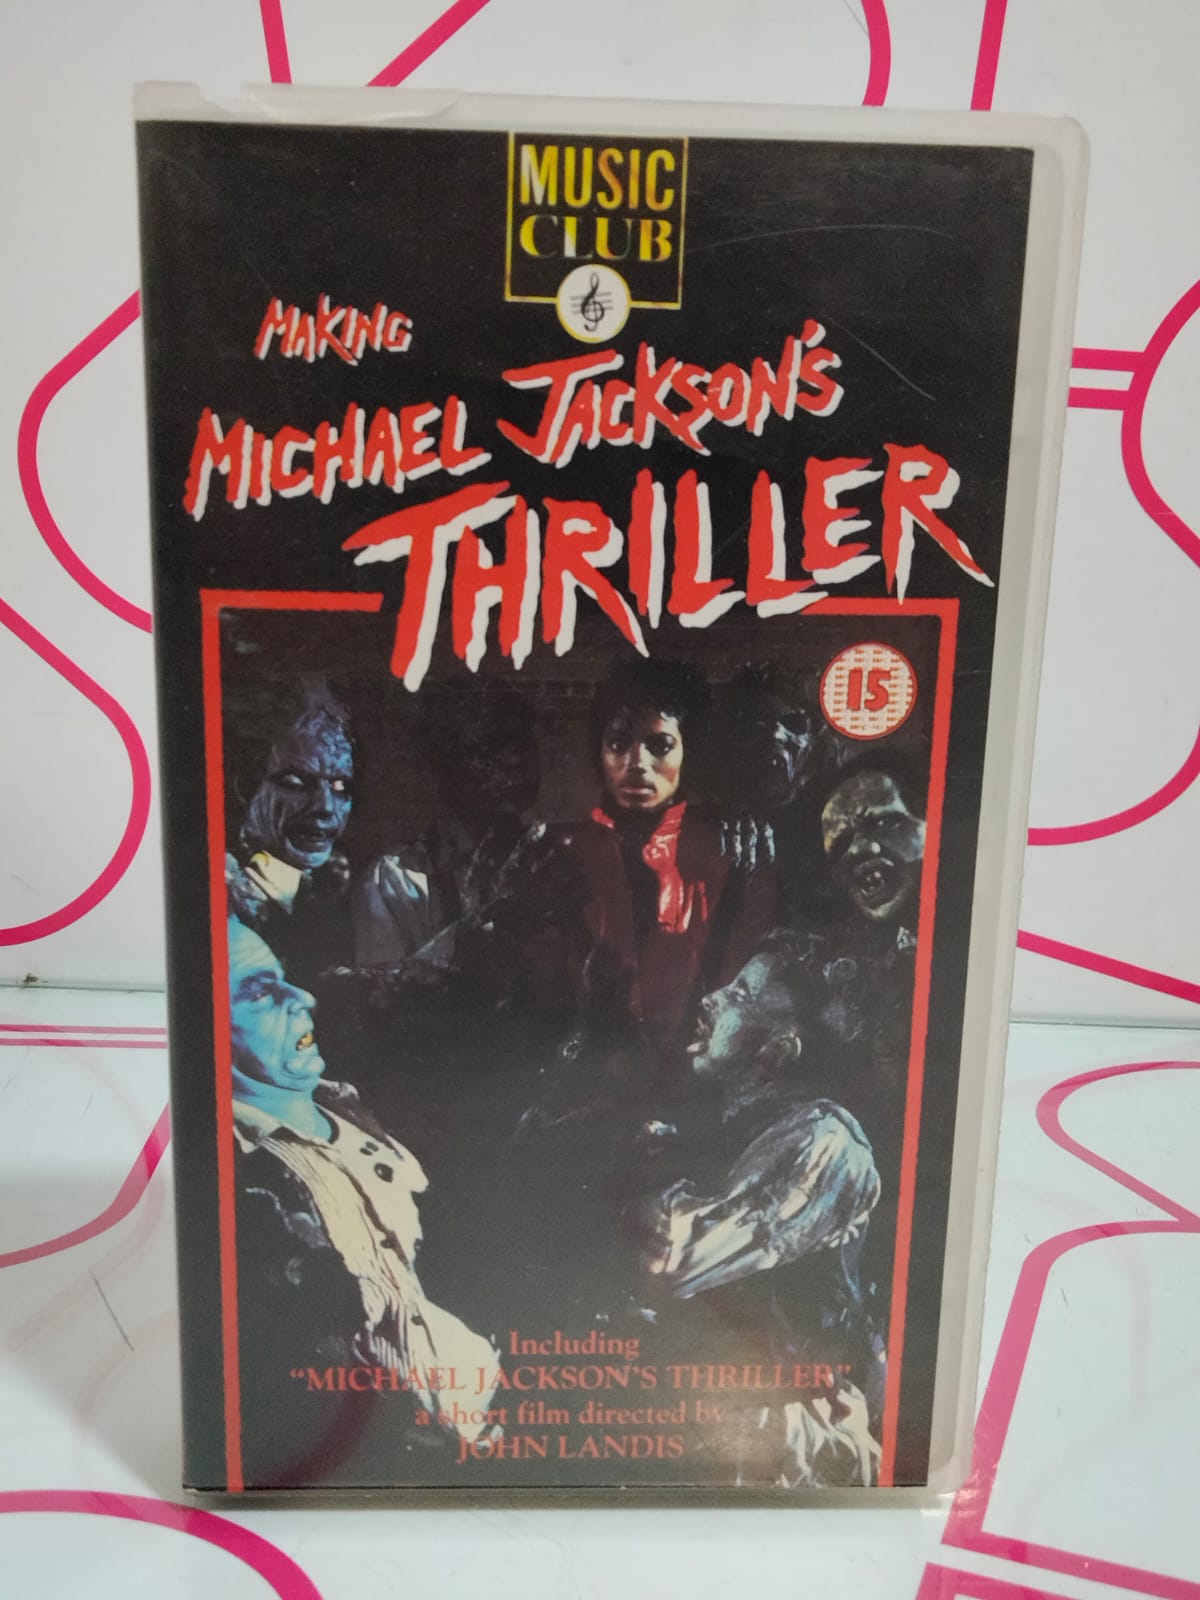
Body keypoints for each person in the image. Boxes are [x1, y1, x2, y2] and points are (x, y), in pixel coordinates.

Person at [226, 915, 498, 1484]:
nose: (302, 998)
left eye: (283, 977)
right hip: (395, 1462)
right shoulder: (238, 1177)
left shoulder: (350, 1107)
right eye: (258, 992)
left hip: (488, 1417)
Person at [624, 932, 884, 1486]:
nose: (711, 998)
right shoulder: (726, 1127)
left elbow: (677, 1260)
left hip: (786, 1443)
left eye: (740, 995)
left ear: (779, 1050)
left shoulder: (825, 1141)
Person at [540, 658, 777, 1071]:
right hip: (583, 1074)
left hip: (703, 1077)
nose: (637, 763)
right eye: (619, 744)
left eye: (660, 746)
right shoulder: (559, 851)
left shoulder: (731, 848)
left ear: (688, 750)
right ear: (599, 751)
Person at [223, 676, 356, 985]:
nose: (326, 807)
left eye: (340, 787)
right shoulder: (220, 897)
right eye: (296, 783)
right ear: (244, 787)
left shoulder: (330, 889)